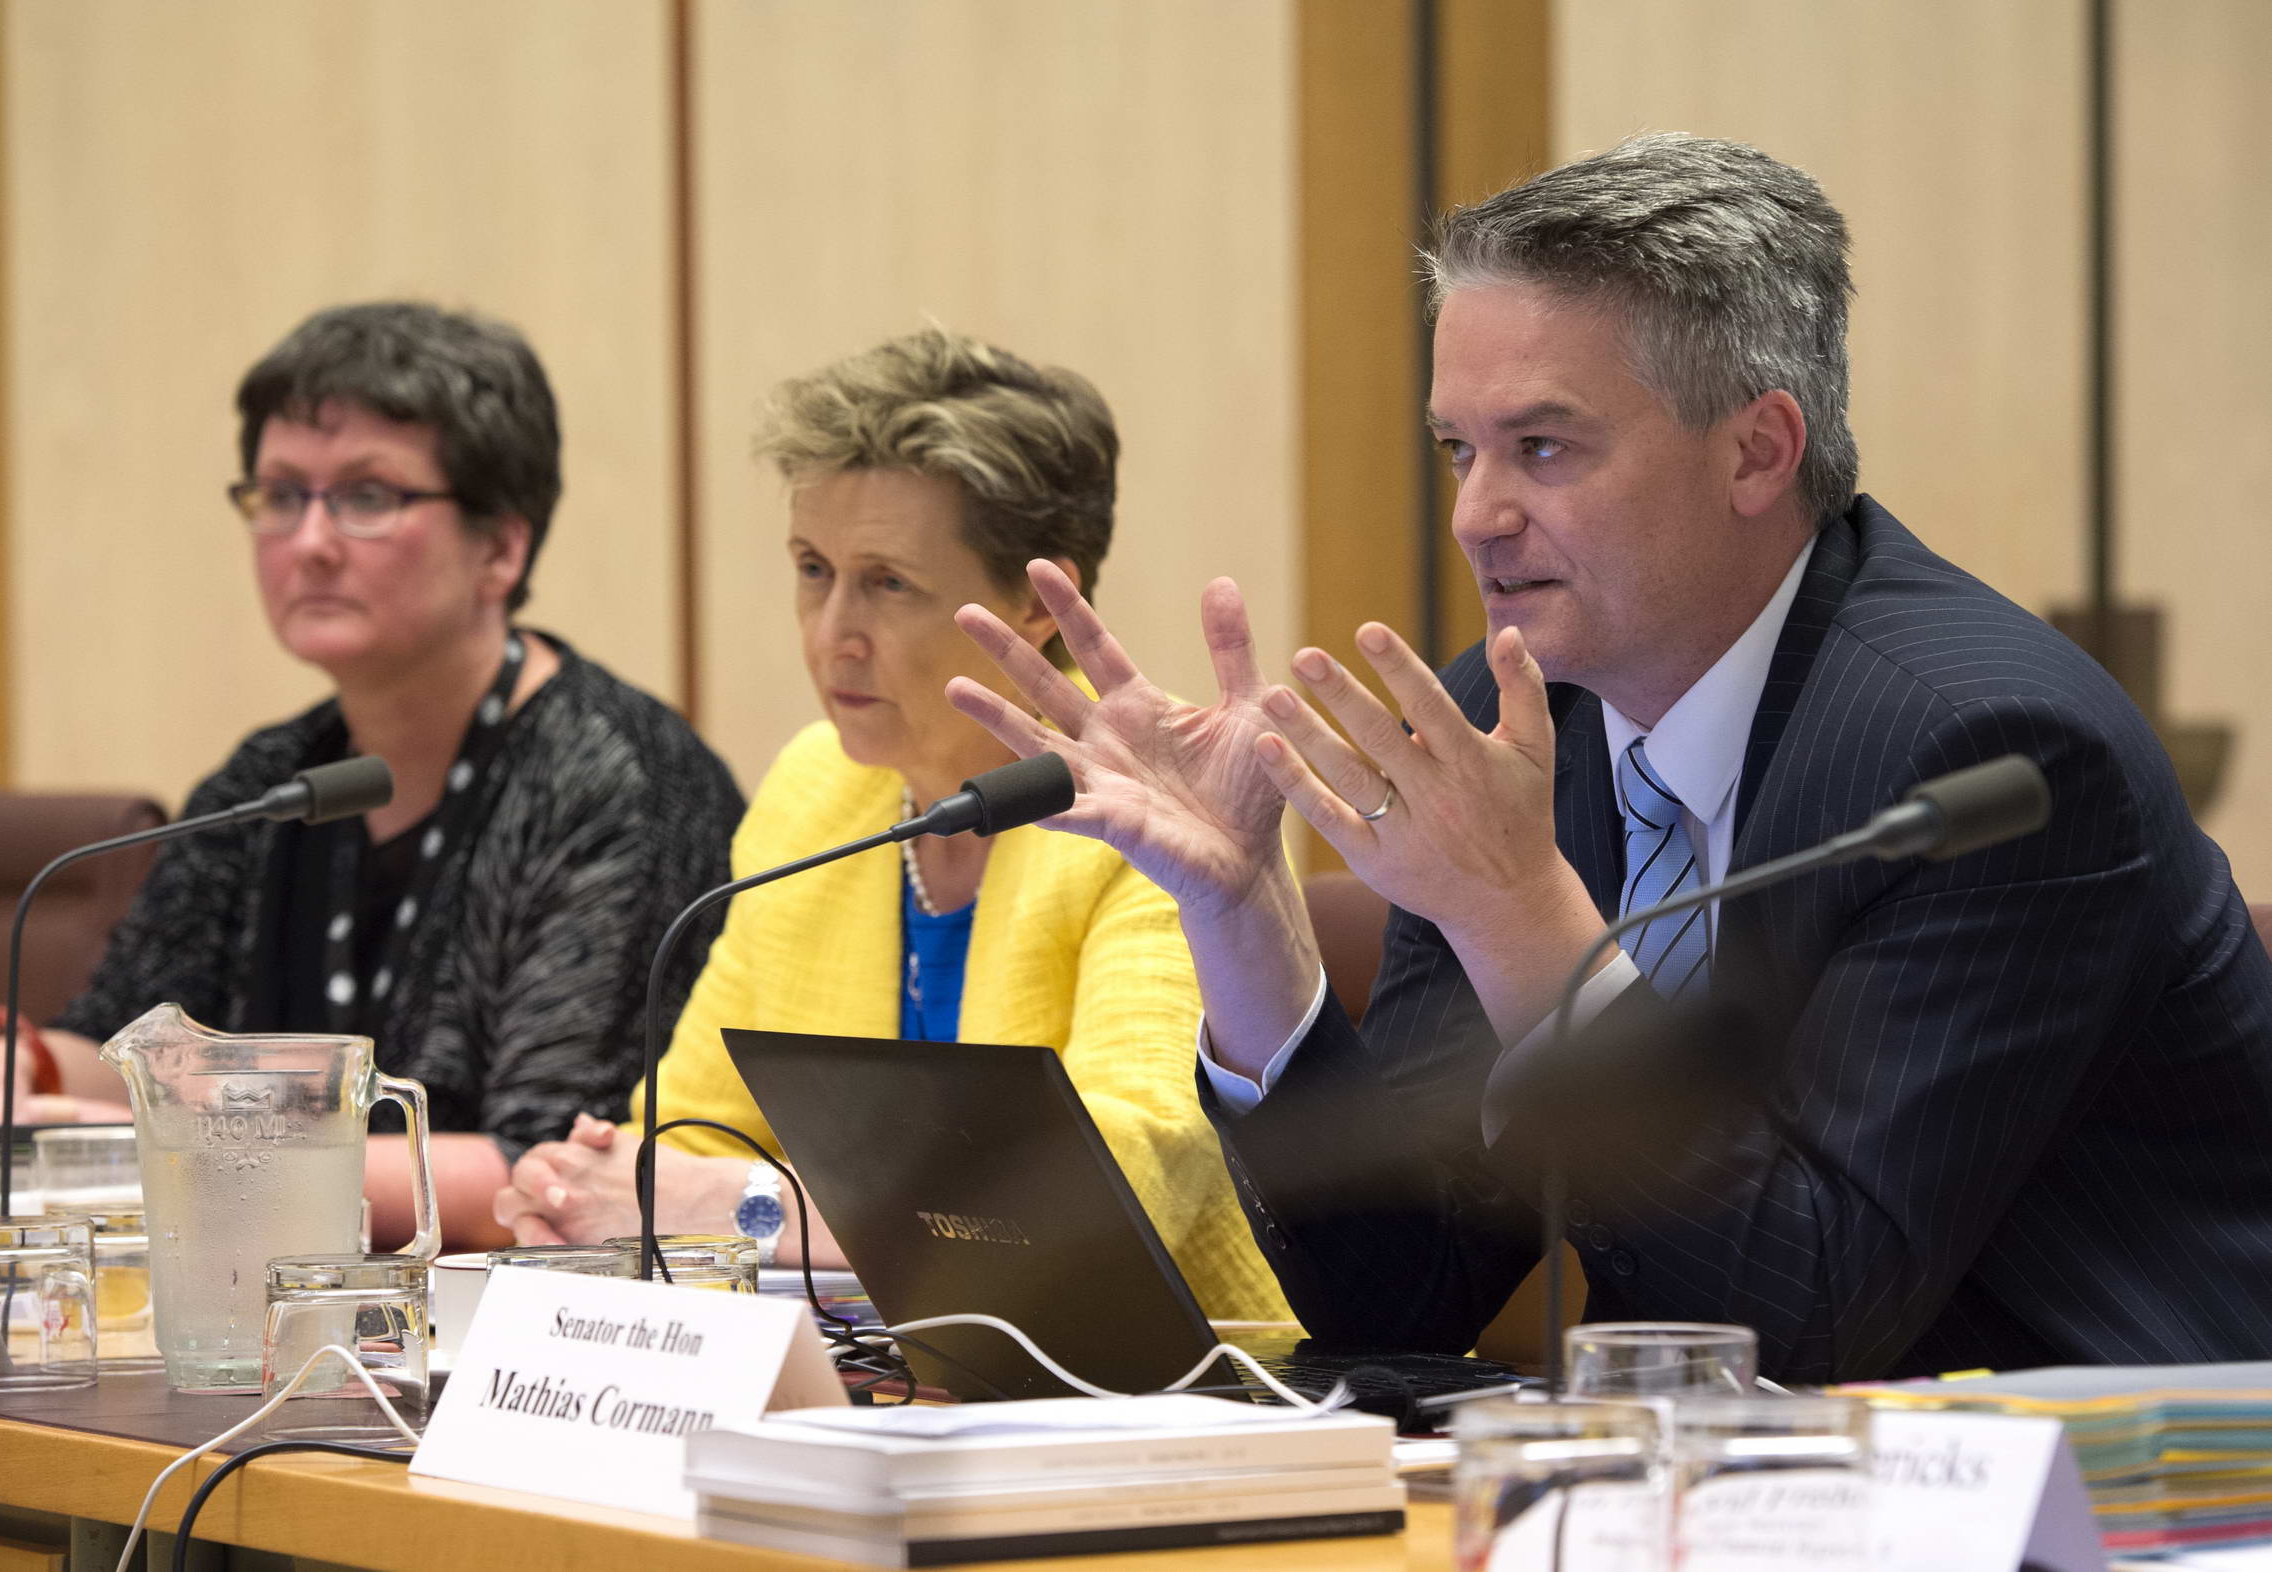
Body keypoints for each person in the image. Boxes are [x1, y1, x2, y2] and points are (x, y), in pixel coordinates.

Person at [943, 134, 2272, 1382]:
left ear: (1755, 450)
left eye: (1542, 447)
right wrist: (1241, 919)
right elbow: (1399, 1293)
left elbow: (1808, 1318)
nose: (1475, 515)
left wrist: (1523, 915)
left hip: (2120, 1494)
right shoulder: (1523, 716)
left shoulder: (1984, 761)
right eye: (1457, 450)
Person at [493, 326, 1291, 1323]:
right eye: (812, 568)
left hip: (1167, 1398)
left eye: (888, 583)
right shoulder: (816, 790)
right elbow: (684, 1130)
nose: (833, 635)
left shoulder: (1154, 816)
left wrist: (739, 1206)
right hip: (875, 1387)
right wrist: (586, 1193)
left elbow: (1102, 1189)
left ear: (1042, 603)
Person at [0, 302, 743, 1252]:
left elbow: (550, 1166)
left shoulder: (614, 780)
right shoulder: (271, 776)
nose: (309, 541)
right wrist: (21, 1066)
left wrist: (181, 1153)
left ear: (501, 548)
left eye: (366, 497)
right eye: (279, 494)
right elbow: (129, 1036)